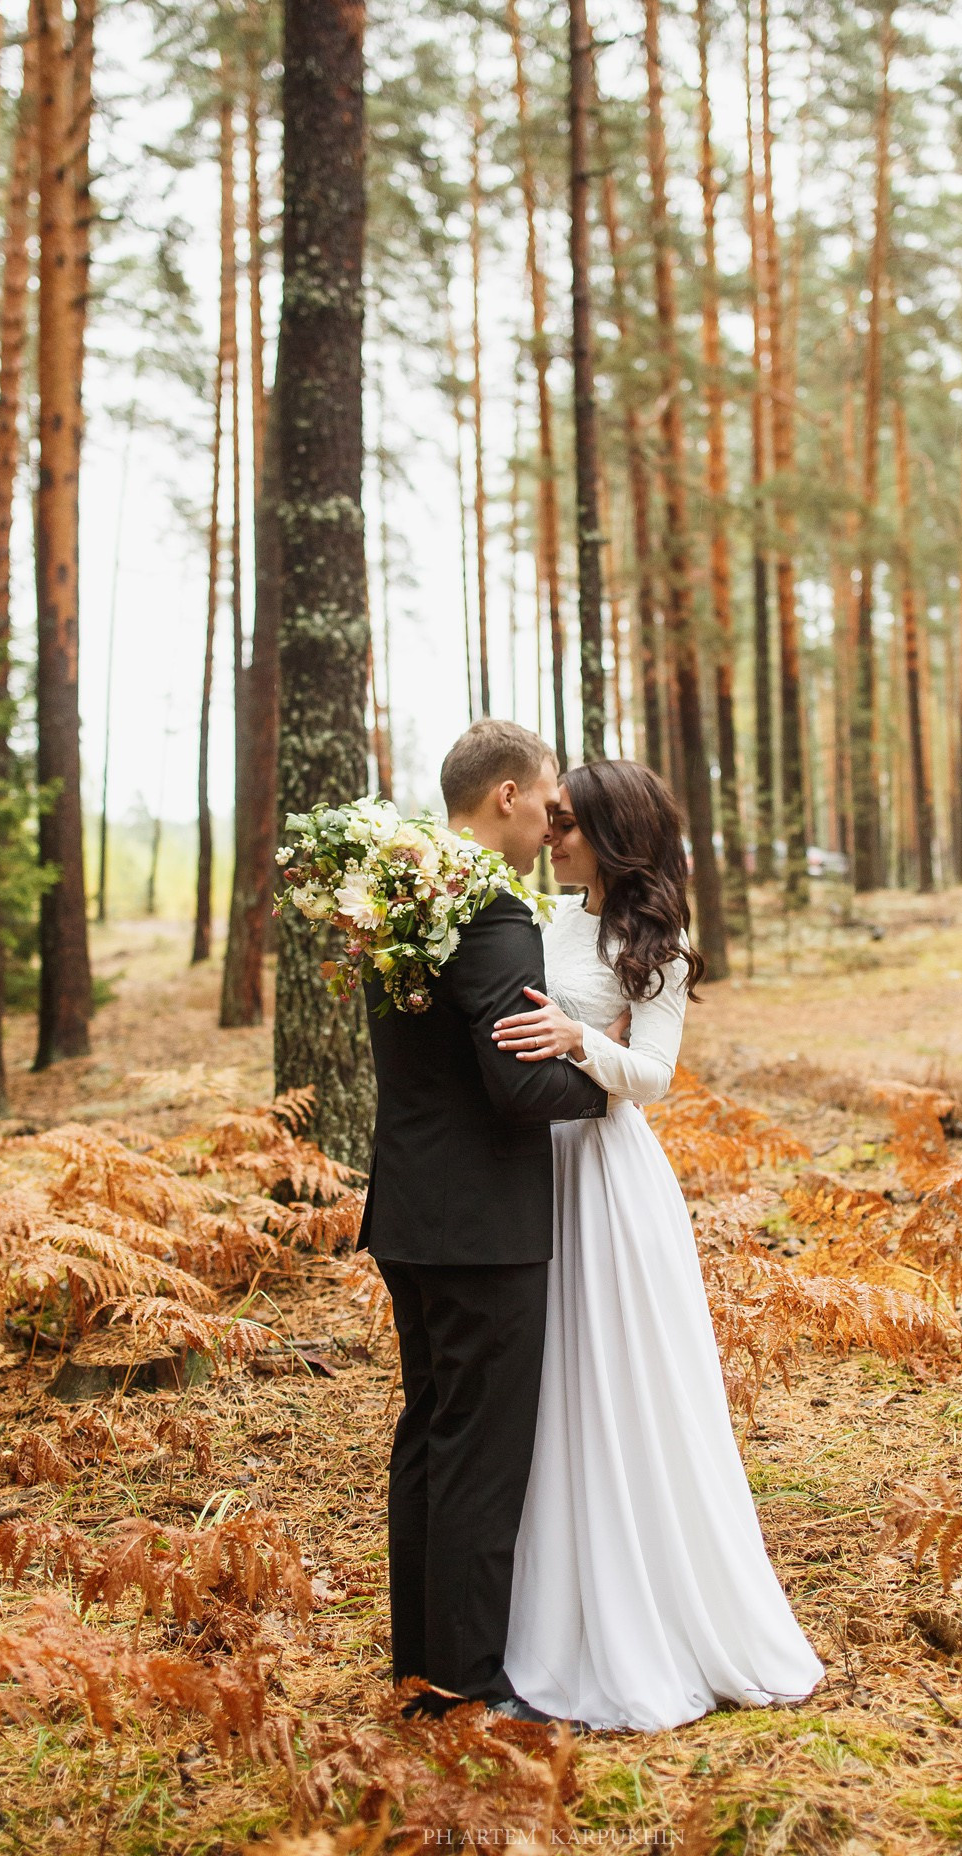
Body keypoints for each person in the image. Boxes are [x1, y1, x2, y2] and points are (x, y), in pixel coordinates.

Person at [492, 757, 825, 1731]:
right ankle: (544, 1612)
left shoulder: (658, 945)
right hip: (529, 1170)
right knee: (549, 1387)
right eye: (547, 822)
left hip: (604, 1176)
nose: (549, 838)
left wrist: (572, 1040)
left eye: (564, 824)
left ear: (609, 832)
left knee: (617, 1382)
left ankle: (650, 1613)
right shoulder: (537, 919)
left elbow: (652, 1075)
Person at [356, 720, 608, 1722]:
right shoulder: (490, 909)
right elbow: (516, 1085)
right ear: (505, 794)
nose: (553, 818)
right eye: (547, 798)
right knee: (476, 1449)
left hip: (410, 1208)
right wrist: (605, 1086)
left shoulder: (397, 894)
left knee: (426, 1435)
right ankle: (464, 1685)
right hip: (483, 1225)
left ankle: (419, 1664)